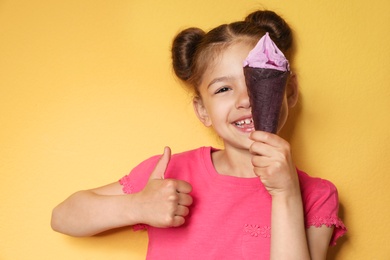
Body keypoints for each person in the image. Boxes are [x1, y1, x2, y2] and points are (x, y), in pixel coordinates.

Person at [51, 10, 346, 259]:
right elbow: (62, 217)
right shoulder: (168, 173)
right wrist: (136, 205)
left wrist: (285, 194)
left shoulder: (316, 196)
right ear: (202, 110)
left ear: (289, 91)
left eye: (256, 82)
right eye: (223, 89)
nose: (245, 99)